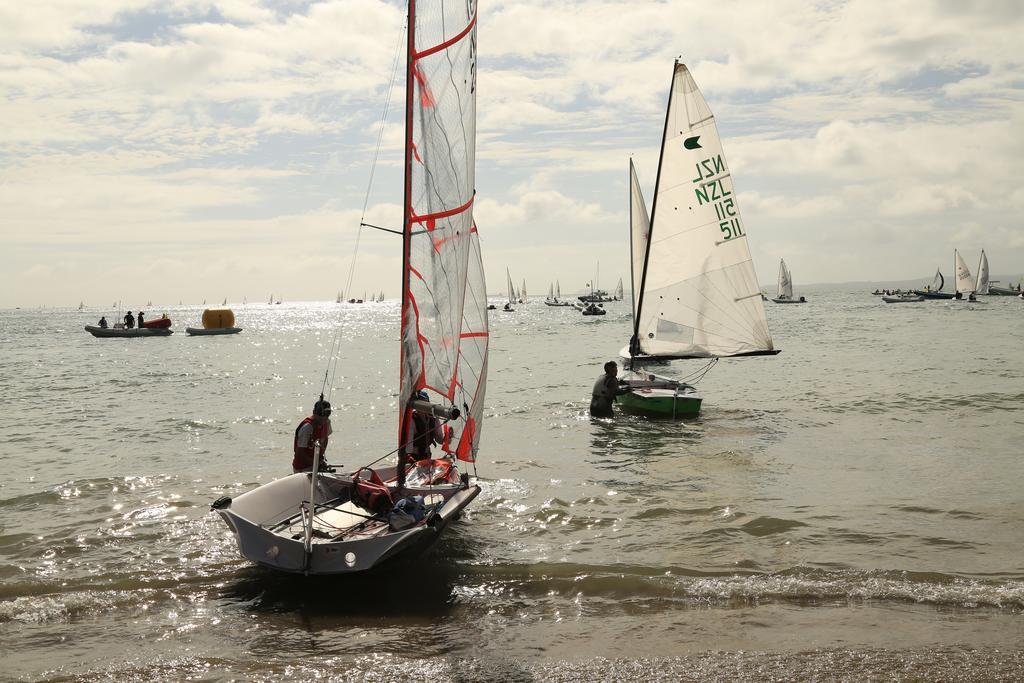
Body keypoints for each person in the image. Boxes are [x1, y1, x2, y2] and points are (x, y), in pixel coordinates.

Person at [292, 396, 333, 473]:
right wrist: (315, 464)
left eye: (327, 414)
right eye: (321, 414)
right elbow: (299, 454)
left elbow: (325, 439)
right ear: (314, 412)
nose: (324, 417)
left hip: (316, 464)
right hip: (302, 468)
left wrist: (320, 458)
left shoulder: (327, 422)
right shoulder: (307, 427)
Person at [410, 389, 443, 461]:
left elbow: (440, 440)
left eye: (424, 402)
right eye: (420, 402)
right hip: (413, 457)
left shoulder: (433, 419)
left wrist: (449, 438)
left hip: (427, 456)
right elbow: (408, 446)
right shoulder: (412, 420)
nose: (422, 405)